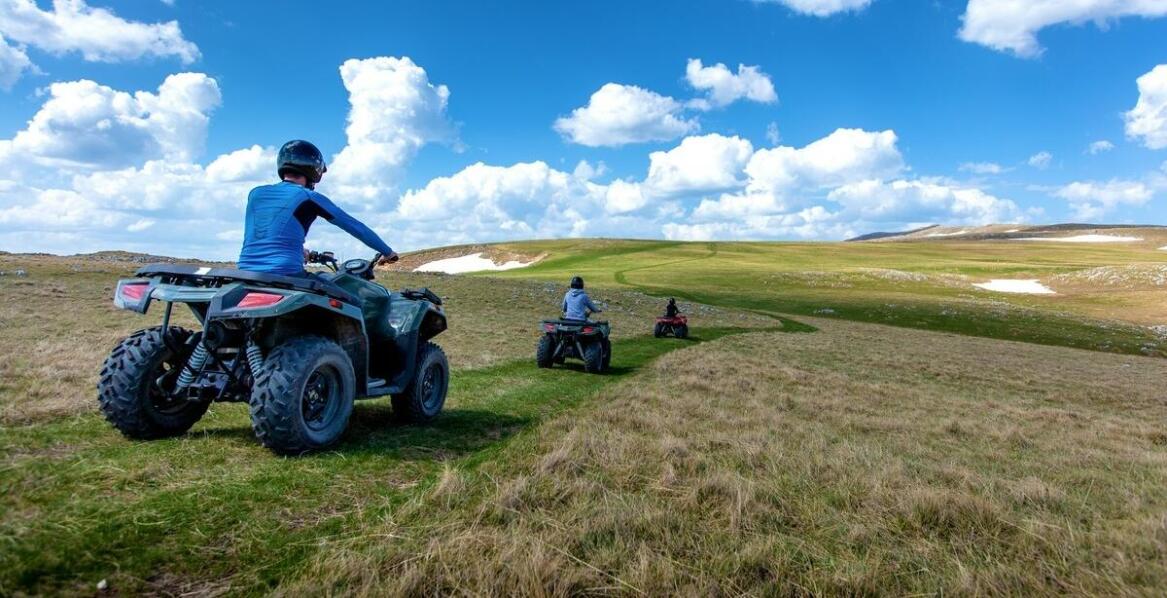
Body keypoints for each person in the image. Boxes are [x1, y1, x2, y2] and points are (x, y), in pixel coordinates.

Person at [237, 139, 399, 276]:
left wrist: (300, 252)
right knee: (349, 295)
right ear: (314, 169)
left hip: (246, 274)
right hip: (286, 273)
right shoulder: (309, 197)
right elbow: (356, 227)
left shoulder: (255, 194)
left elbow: (267, 235)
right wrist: (387, 252)